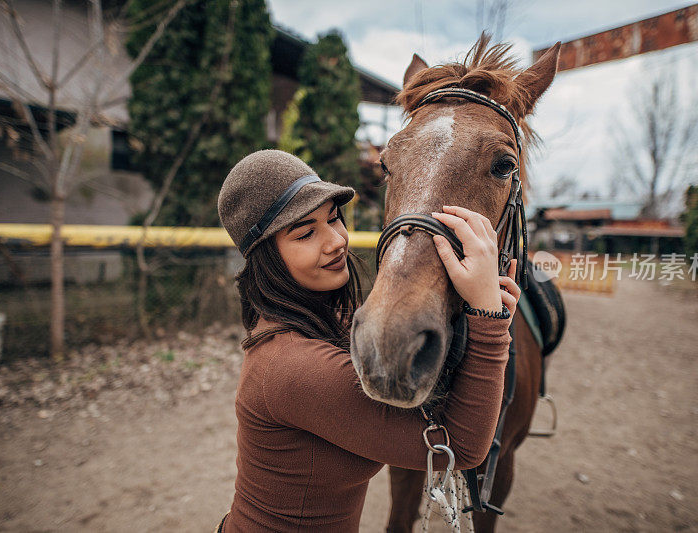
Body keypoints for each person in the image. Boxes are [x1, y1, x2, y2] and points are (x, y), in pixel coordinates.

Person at [215, 149, 519, 532]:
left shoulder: (322, 318)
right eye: (306, 233)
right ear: (267, 259)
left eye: (333, 219)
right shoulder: (292, 368)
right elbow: (461, 445)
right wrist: (490, 319)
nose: (335, 241)